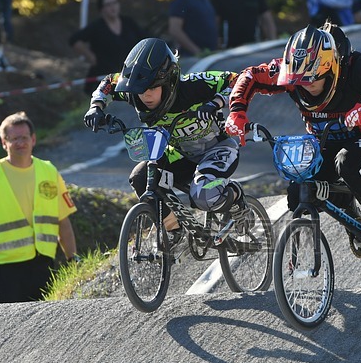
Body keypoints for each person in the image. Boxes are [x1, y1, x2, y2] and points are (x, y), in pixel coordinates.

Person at [226, 23, 361, 263]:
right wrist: (237, 111)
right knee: (298, 189)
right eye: (299, 81)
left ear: (332, 69)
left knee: (349, 162)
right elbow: (250, 76)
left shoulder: (358, 68)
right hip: (324, 141)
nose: (307, 86)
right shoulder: (289, 71)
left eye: (314, 80)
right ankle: (347, 207)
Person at [82, 38, 247, 231]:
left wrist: (215, 103)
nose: (146, 96)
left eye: (152, 88)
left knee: (202, 197)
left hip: (217, 149)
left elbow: (239, 80)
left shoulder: (193, 86)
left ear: (169, 82)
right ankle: (173, 230)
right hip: (179, 153)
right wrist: (96, 107)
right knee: (141, 177)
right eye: (141, 90)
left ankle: (236, 196)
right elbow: (109, 82)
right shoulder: (135, 91)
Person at [0, 111, 78, 304]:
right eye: (14, 139)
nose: (20, 143)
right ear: (4, 142)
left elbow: (63, 222)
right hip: (5, 269)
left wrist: (73, 260)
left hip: (42, 264)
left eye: (24, 138)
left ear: (33, 139)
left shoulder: (49, 171)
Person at [69, 0, 144, 95]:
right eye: (108, 5)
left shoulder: (128, 22)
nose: (112, 7)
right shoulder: (96, 27)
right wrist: (89, 56)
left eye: (115, 3)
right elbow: (74, 40)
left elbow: (146, 38)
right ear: (102, 9)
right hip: (103, 80)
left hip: (128, 79)